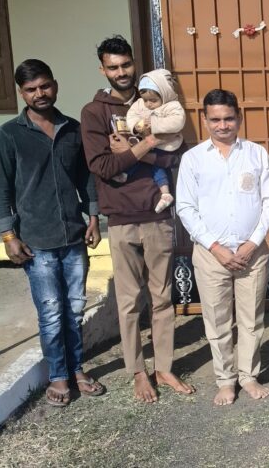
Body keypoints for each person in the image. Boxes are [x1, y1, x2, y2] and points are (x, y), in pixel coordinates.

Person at [81, 35, 194, 403]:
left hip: (157, 215)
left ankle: (164, 367)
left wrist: (133, 150)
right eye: (113, 67)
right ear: (102, 70)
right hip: (121, 219)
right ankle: (138, 372)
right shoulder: (94, 112)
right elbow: (102, 166)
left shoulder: (157, 103)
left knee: (162, 298)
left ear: (134, 63)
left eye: (126, 64)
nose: (121, 72)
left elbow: (176, 156)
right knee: (129, 302)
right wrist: (147, 146)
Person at [0, 59, 104, 407]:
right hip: (35, 240)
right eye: (31, 89)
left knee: (74, 309)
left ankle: (77, 369)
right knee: (51, 312)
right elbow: (1, 188)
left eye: (45, 86)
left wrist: (93, 217)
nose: (39, 93)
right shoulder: (10, 135)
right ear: (21, 93)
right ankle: (58, 375)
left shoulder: (72, 129)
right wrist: (8, 235)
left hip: (74, 235)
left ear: (55, 85)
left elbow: (85, 178)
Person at [177, 89, 269, 406]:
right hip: (211, 254)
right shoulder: (193, 159)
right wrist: (216, 247)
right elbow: (185, 208)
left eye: (229, 118)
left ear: (239, 118)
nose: (223, 125)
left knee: (251, 320)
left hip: (252, 253)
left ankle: (248, 375)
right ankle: (225, 380)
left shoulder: (256, 154)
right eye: (216, 119)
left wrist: (252, 243)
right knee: (217, 321)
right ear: (205, 120)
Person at [122, 68, 186, 213]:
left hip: (165, 145)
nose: (149, 104)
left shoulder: (172, 106)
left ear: (164, 94)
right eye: (146, 100)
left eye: (153, 100)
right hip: (145, 142)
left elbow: (177, 121)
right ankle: (125, 174)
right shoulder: (140, 104)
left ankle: (165, 193)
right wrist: (136, 126)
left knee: (158, 166)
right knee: (137, 157)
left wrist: (154, 123)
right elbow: (131, 115)